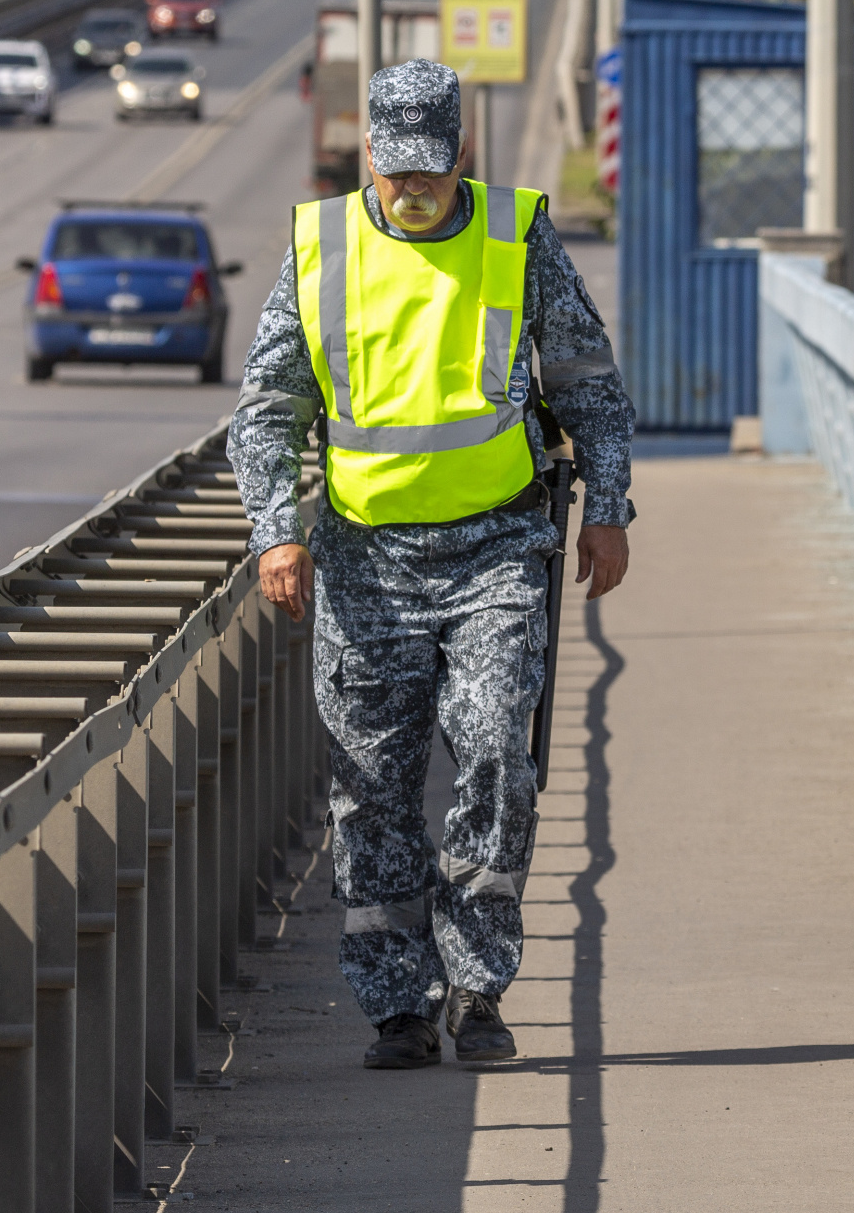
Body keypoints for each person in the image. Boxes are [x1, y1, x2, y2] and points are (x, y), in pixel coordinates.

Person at [229, 58, 635, 1070]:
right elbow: (268, 407)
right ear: (369, 150)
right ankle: (394, 1005)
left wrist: (612, 506)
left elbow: (586, 376)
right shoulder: (320, 244)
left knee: (496, 752)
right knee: (374, 785)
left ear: (461, 151)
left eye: (431, 167)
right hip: (365, 558)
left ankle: (478, 988)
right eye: (394, 166)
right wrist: (277, 528)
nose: (413, 186)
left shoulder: (515, 234)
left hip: (498, 544)